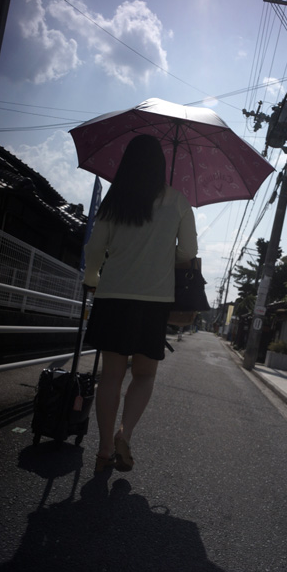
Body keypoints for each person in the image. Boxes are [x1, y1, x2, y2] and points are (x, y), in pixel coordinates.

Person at [83, 134, 198, 473]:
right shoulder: (178, 202)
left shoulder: (114, 201)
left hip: (113, 296)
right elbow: (187, 253)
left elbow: (94, 249)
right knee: (144, 375)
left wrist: (92, 278)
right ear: (161, 165)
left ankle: (104, 448)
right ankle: (125, 433)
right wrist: (163, 254)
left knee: (111, 377)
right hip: (154, 300)